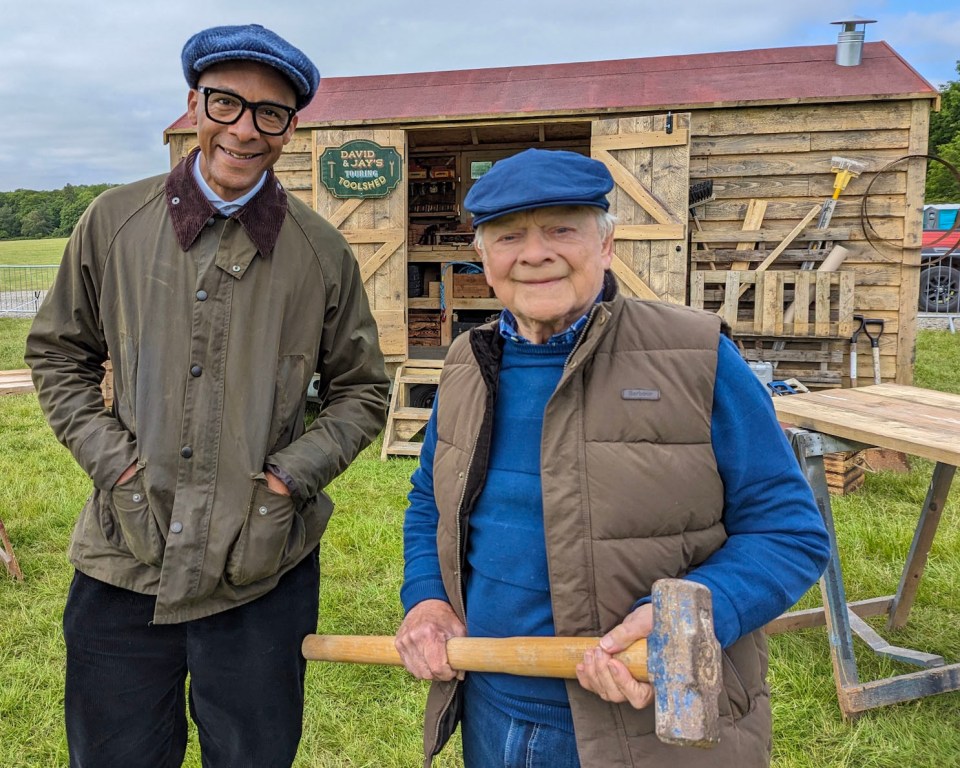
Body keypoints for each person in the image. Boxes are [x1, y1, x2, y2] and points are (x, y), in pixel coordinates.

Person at [25, 23, 389, 768]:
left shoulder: (321, 253)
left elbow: (362, 391)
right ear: (195, 104)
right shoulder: (113, 224)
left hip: (262, 568)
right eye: (226, 103)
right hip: (124, 558)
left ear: (292, 128)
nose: (244, 129)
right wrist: (115, 466)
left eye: (270, 113)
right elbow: (59, 353)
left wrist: (286, 481)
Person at [395, 148, 831, 768]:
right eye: (510, 236)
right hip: (488, 705)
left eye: (561, 230)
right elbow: (426, 502)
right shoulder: (467, 363)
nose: (535, 252)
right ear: (485, 259)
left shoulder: (695, 355)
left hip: (642, 721)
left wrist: (680, 619)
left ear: (605, 246)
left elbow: (789, 530)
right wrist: (428, 598)